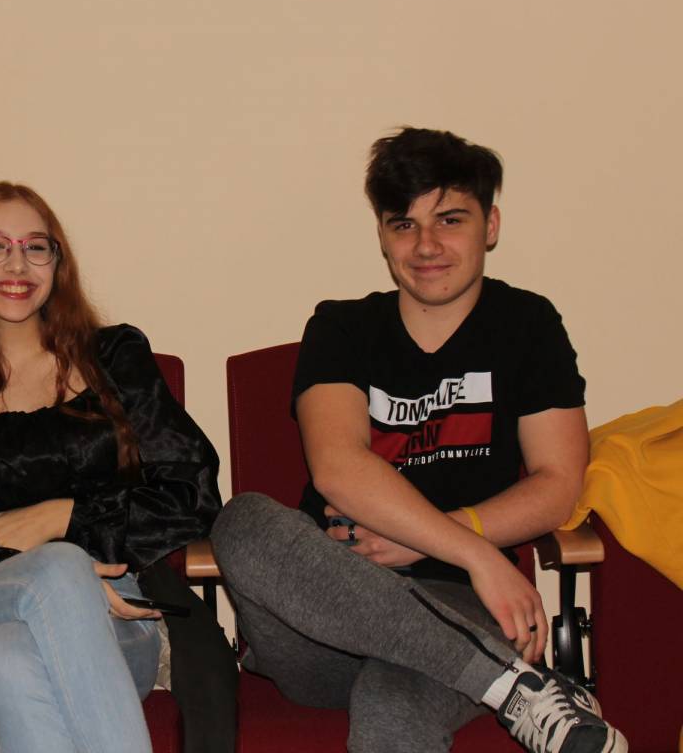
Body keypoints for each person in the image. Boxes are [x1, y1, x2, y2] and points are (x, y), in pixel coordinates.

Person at [212, 128, 627, 752]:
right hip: (321, 615)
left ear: (490, 225)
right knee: (240, 522)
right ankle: (518, 687)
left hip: (462, 602)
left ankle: (499, 680)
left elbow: (558, 483)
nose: (426, 245)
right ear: (382, 236)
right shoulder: (342, 327)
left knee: (392, 706)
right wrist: (477, 553)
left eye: (450, 220)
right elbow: (337, 468)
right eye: (403, 225)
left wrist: (444, 545)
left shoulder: (527, 325)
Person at [0, 182, 230, 753]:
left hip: (117, 613)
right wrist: (56, 572)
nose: (17, 264)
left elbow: (192, 492)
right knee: (58, 572)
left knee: (10, 658)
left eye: (36, 246)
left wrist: (64, 517)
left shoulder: (113, 358)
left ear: (57, 262)